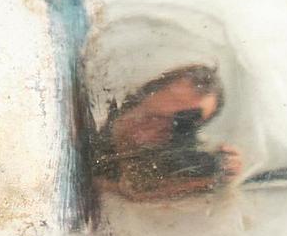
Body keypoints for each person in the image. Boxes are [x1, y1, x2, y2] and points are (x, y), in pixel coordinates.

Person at [91, 64, 243, 202]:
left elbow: (136, 193)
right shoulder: (96, 111)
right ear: (154, 90)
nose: (170, 121)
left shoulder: (172, 162)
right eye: (175, 100)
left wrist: (216, 175)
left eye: (186, 122)